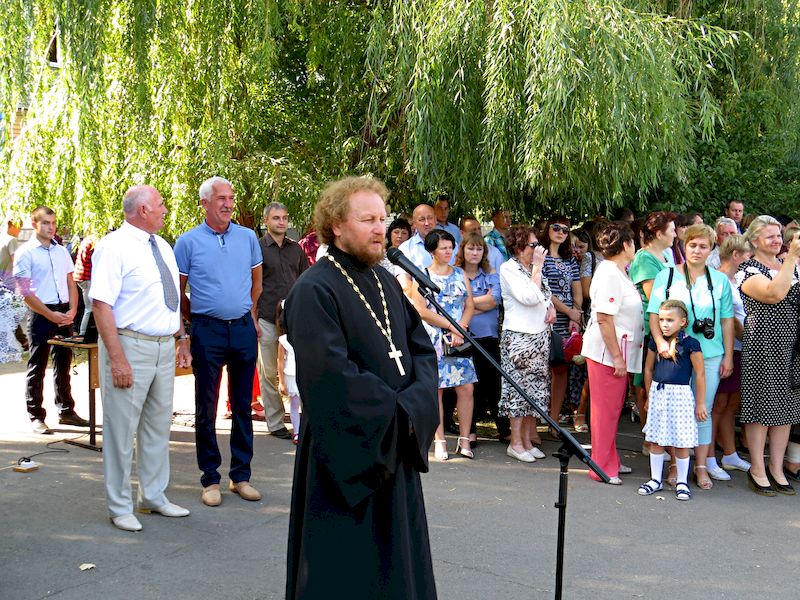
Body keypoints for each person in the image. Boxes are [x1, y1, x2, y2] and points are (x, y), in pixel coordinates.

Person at [284, 175, 439, 599]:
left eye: (382, 219)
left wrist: (413, 408)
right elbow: (329, 379)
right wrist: (399, 413)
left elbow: (421, 352)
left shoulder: (386, 281)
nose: (379, 229)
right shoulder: (313, 290)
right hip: (346, 458)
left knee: (397, 567)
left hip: (394, 446)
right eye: (367, 219)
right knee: (347, 574)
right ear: (336, 225)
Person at [90, 185, 192, 532]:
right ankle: (119, 506)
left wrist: (181, 337)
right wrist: (117, 359)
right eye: (160, 204)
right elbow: (101, 304)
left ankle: (153, 496)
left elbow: (172, 297)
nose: (165, 209)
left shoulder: (162, 246)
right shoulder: (113, 247)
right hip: (130, 345)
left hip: (164, 345)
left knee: (157, 426)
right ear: (143, 210)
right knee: (121, 430)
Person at [174, 176, 263, 506]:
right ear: (204, 204)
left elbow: (257, 283)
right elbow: (177, 290)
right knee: (206, 407)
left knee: (242, 405)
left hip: (241, 329)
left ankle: (241, 476)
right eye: (220, 198)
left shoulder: (248, 237)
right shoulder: (187, 242)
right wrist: (191, 323)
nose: (228, 203)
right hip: (207, 330)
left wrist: (251, 316)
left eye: (230, 197)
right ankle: (210, 478)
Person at [648, 224, 734, 491]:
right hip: (675, 354)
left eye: (703, 246)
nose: (697, 250)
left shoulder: (719, 280)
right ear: (684, 246)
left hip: (709, 353)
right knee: (676, 411)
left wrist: (729, 356)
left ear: (711, 249)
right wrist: (661, 341)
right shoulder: (668, 275)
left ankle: (700, 465)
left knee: (702, 410)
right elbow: (654, 313)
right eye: (692, 245)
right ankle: (675, 463)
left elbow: (727, 320)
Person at [736, 216, 800, 496]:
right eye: (770, 236)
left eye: (779, 236)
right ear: (754, 241)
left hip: (791, 346)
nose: (777, 240)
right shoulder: (748, 270)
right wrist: (791, 261)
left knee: (785, 410)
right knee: (761, 409)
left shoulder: (789, 267)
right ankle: (757, 469)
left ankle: (776, 468)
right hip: (764, 345)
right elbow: (774, 293)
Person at [13, 206, 88, 434]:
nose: (51, 227)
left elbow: (70, 282)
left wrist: (73, 309)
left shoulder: (61, 251)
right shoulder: (25, 253)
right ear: (35, 224)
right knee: (37, 365)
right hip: (41, 314)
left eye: (53, 222)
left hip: (64, 312)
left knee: (64, 363)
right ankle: (36, 415)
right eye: (46, 223)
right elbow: (25, 293)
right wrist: (49, 314)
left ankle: (66, 410)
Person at [582, 221, 644, 484]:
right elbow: (605, 318)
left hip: (618, 351)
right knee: (605, 411)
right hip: (608, 353)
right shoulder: (608, 272)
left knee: (613, 408)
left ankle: (610, 458)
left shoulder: (620, 271)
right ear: (626, 244)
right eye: (632, 242)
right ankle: (601, 466)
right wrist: (617, 356)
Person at [410, 229, 476, 461]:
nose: (448, 251)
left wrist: (461, 327)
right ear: (432, 251)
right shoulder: (423, 275)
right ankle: (439, 440)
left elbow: (469, 305)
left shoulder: (460, 274)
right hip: (435, 338)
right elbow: (421, 310)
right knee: (435, 389)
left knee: (466, 387)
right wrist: (450, 326)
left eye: (451, 247)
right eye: (443, 248)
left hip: (460, 336)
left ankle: (465, 439)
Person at [498, 225, 555, 462]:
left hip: (539, 336)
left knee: (535, 391)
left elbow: (545, 293)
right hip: (519, 339)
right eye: (533, 245)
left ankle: (528, 440)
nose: (537, 249)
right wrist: (539, 267)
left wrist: (550, 306)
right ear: (519, 246)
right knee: (517, 392)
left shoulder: (530, 268)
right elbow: (529, 297)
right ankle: (515, 442)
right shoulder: (509, 269)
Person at [639, 300, 705, 501]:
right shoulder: (655, 342)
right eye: (661, 320)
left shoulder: (691, 344)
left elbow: (700, 374)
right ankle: (655, 479)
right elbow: (648, 369)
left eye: (670, 320)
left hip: (681, 397)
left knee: (681, 442)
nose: (665, 324)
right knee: (657, 440)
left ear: (683, 321)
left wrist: (701, 403)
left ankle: (682, 482)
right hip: (659, 394)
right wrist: (650, 395)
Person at [256, 202, 309, 440]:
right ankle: (276, 422)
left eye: (285, 218)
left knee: (298, 369)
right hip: (267, 317)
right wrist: (253, 319)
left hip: (295, 319)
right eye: (276, 218)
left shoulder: (296, 250)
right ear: (266, 221)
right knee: (269, 372)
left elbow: (306, 280)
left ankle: (301, 419)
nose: (282, 222)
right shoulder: (257, 249)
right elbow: (250, 286)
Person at [628, 211, 677, 454]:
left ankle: (661, 438)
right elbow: (653, 297)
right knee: (647, 384)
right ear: (658, 234)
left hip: (669, 323)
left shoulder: (667, 254)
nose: (676, 234)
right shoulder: (644, 259)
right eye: (672, 230)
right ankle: (650, 438)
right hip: (651, 327)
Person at [455, 231, 507, 446]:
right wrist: (477, 304)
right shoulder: (456, 274)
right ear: (463, 250)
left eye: (479, 249)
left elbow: (493, 301)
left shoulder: (491, 273)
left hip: (488, 336)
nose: (475, 252)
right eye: (471, 248)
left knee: (494, 384)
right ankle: (471, 430)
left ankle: (504, 429)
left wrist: (469, 304)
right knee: (470, 386)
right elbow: (455, 304)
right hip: (465, 336)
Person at [712, 235, 752, 473]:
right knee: (718, 403)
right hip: (727, 347)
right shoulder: (719, 279)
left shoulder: (735, 278)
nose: (750, 258)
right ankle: (708, 458)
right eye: (747, 254)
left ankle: (730, 453)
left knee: (730, 404)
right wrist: (746, 337)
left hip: (737, 349)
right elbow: (728, 317)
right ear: (736, 255)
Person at [541, 216, 582, 424]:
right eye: (556, 228)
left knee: (561, 369)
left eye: (565, 230)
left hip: (567, 322)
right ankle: (539, 416)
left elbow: (577, 288)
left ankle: (554, 419)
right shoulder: (541, 257)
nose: (560, 232)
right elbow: (545, 290)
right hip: (547, 318)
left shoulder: (570, 258)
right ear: (547, 229)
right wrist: (568, 311)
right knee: (542, 370)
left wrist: (575, 314)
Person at [275, 301, 301, 444]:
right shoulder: (283, 340)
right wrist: (282, 382)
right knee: (294, 404)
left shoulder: (304, 336)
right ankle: (296, 431)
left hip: (302, 374)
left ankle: (303, 430)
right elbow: (280, 361)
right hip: (291, 374)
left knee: (303, 404)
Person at [72, 232, 97, 338]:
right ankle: (83, 333)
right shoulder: (93, 242)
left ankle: (85, 332)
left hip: (81, 277)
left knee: (89, 306)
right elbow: (94, 263)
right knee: (89, 307)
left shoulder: (87, 240)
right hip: (87, 277)